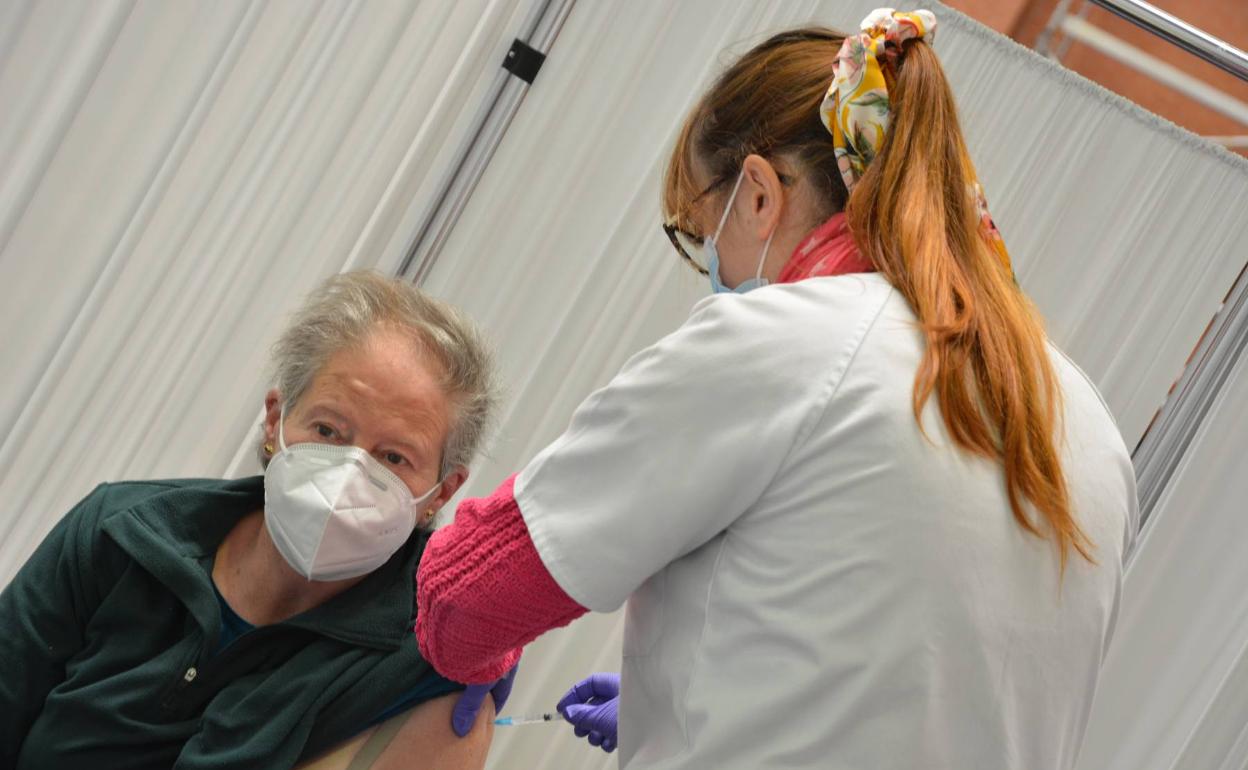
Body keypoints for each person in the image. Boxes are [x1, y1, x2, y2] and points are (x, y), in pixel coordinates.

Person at [416, 9, 1138, 770]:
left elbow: (465, 603)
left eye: (701, 233)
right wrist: (695, 696)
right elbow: (919, 665)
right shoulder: (1081, 418)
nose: (711, 267)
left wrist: (479, 652)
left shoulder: (783, 342)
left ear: (757, 192)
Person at [0, 271, 504, 769]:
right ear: (274, 418)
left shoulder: (422, 648)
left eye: (393, 459)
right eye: (327, 429)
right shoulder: (123, 531)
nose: (348, 474)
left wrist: (487, 658)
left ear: (444, 491)